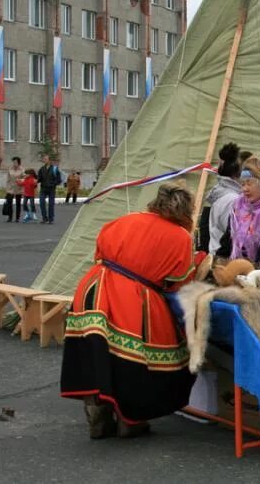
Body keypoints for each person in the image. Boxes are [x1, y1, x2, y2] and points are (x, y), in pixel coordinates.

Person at [60, 183, 198, 439]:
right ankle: (131, 420)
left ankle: (97, 417)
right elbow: (177, 280)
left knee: (97, 355)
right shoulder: (180, 237)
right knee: (132, 361)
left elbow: (99, 251)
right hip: (133, 298)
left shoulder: (126, 219)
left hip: (94, 288)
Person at [204, 143, 252, 256]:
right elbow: (234, 239)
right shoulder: (234, 200)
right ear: (239, 174)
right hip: (226, 261)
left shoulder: (228, 196)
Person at [37, 155, 62, 224]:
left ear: (49, 160)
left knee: (51, 204)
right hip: (43, 188)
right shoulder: (42, 169)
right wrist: (35, 180)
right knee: (41, 202)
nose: (44, 160)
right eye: (44, 159)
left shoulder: (55, 169)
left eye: (46, 159)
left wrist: (53, 184)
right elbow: (39, 178)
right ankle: (44, 218)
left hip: (51, 189)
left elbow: (59, 180)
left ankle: (51, 219)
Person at [4, 157, 25, 223]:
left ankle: (17, 218)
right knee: (9, 203)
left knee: (18, 204)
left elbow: (24, 179)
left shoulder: (22, 170)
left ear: (19, 163)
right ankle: (10, 217)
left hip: (18, 188)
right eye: (13, 162)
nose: (14, 163)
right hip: (11, 189)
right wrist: (7, 189)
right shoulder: (10, 169)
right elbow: (8, 180)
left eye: (16, 162)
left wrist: (22, 187)